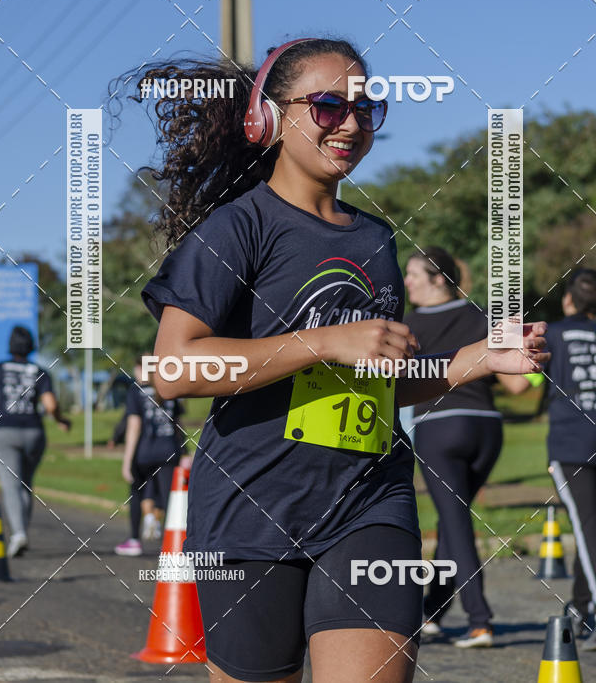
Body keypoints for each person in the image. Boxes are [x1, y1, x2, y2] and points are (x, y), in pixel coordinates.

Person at [122, 38, 548, 683]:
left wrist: (470, 361)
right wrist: (321, 343)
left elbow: (375, 381)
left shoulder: (376, 237)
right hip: (251, 509)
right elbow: (176, 370)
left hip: (368, 500)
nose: (348, 123)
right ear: (268, 116)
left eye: (364, 107)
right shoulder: (237, 229)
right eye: (326, 106)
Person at [403, 248, 529, 648]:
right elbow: (519, 385)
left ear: (439, 279)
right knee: (452, 517)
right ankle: (434, 612)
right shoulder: (482, 317)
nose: (407, 283)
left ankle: (480, 621)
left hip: (439, 429)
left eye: (413, 275)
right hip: (488, 430)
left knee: (455, 521)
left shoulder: (406, 325)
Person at [541, 268, 596, 651]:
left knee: (588, 530)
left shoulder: (554, 335)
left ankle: (586, 608)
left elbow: (518, 382)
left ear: (568, 300)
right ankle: (581, 608)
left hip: (571, 444)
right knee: (590, 529)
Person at [0, 325, 70, 556]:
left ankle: (18, 534)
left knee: (10, 486)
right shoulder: (40, 371)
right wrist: (61, 420)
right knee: (25, 484)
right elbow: (50, 405)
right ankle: (21, 533)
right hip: (34, 433)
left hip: (4, 432)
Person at [115, 354, 184, 556]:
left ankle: (135, 540)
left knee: (136, 493)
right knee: (168, 497)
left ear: (141, 369)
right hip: (169, 450)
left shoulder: (135, 390)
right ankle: (170, 546)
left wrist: (127, 461)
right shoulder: (171, 389)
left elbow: (134, 426)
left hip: (144, 452)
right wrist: (184, 451)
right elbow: (177, 424)